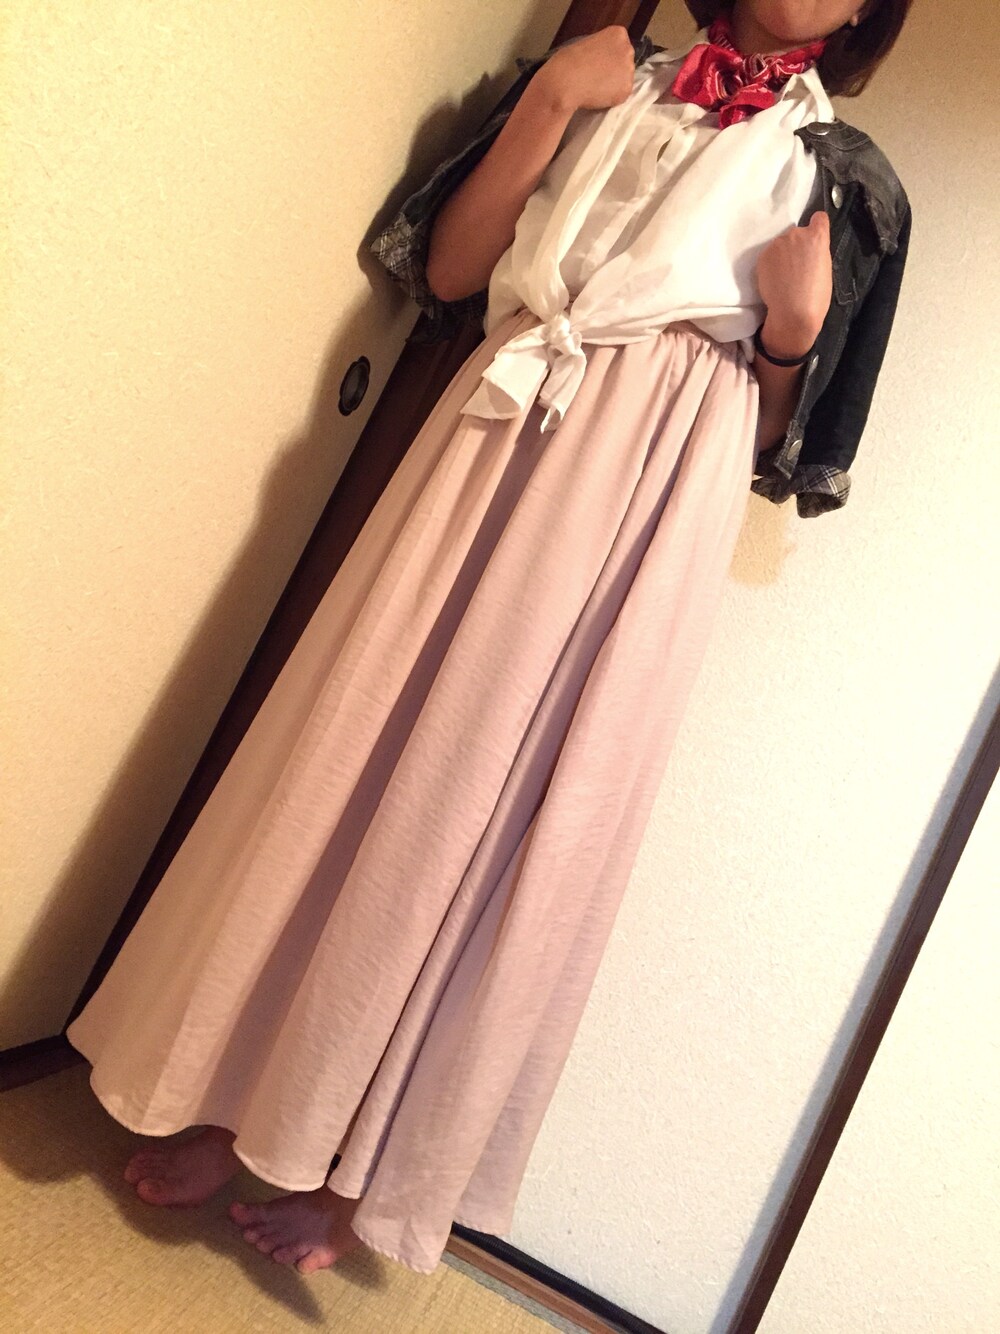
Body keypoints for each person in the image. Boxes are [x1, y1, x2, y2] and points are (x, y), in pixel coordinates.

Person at [65, 0, 913, 1279]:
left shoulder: (851, 182)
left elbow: (781, 447)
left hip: (653, 492)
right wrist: (552, 101)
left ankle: (353, 1174)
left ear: (862, 12)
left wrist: (791, 338)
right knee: (361, 752)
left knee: (514, 816)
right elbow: (455, 272)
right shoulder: (611, 77)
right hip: (503, 426)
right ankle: (232, 1107)